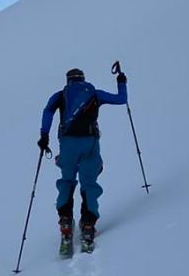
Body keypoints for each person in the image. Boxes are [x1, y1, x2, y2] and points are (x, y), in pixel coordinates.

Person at [39, 67, 127, 253]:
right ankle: (88, 226)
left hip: (67, 144)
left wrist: (44, 136)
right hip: (90, 143)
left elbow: (48, 112)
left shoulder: (60, 95)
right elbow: (121, 99)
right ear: (83, 79)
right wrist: (121, 81)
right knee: (89, 184)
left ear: (68, 80)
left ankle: (65, 222)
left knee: (67, 181)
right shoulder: (94, 93)